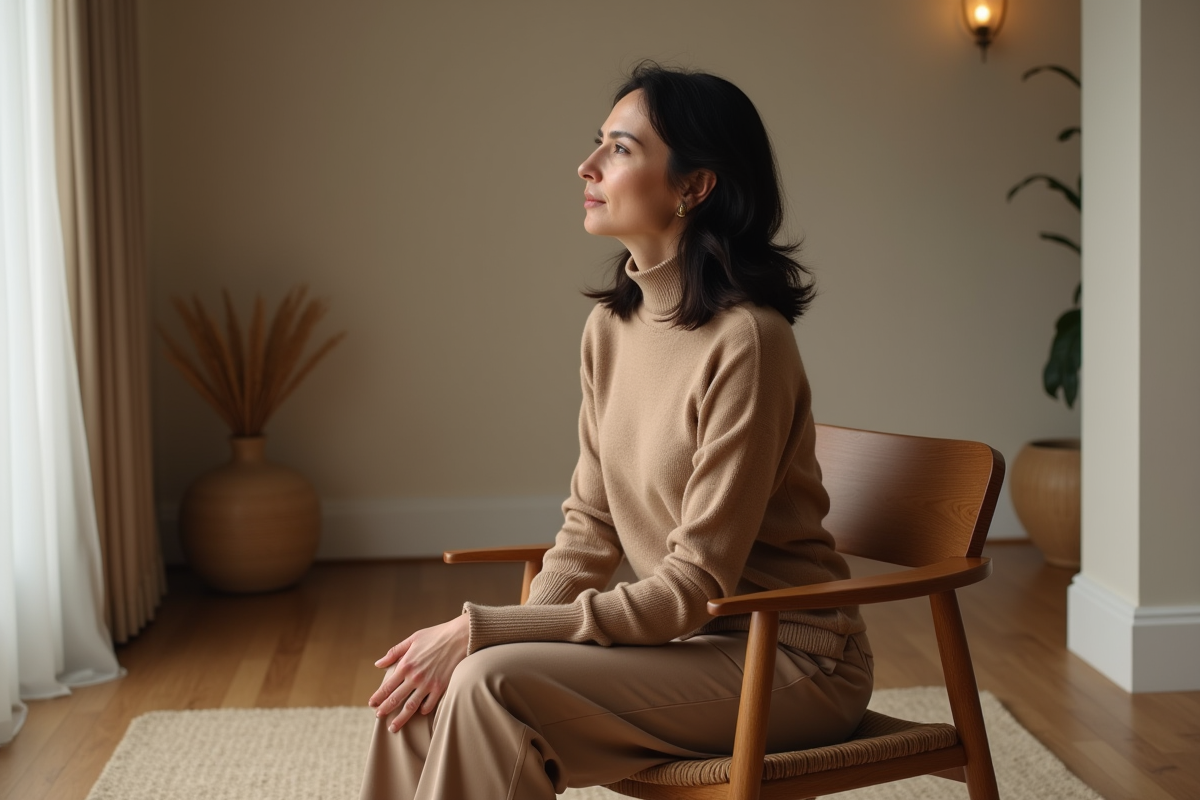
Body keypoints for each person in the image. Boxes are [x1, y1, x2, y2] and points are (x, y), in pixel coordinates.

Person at [358, 62, 872, 800]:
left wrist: (487, 632)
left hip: (789, 659)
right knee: (424, 688)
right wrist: (477, 640)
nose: (588, 165)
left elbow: (694, 584)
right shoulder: (611, 328)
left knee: (491, 683)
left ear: (694, 187)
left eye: (622, 149)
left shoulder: (748, 343)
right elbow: (591, 530)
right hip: (688, 648)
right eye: (597, 143)